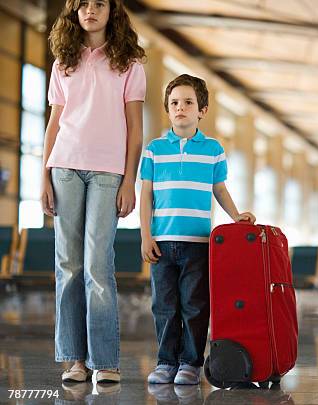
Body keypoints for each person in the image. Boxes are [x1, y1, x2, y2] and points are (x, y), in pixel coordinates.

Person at [41, 0, 146, 383]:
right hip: (64, 167)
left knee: (97, 266)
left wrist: (129, 180)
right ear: (74, 12)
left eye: (98, 3)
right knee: (68, 266)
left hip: (107, 173)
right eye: (82, 4)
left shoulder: (130, 64)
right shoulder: (62, 63)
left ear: (111, 11)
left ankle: (105, 361)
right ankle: (74, 360)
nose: (90, 10)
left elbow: (135, 128)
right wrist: (43, 176)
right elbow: (53, 124)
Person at [140, 74, 256, 385]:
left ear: (201, 110)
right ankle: (166, 362)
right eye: (174, 103)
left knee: (194, 306)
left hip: (199, 243)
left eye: (188, 102)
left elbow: (219, 188)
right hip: (161, 242)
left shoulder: (214, 150)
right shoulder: (153, 149)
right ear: (167, 109)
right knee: (164, 306)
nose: (180, 108)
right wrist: (145, 236)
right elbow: (146, 195)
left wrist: (235, 216)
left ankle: (190, 363)